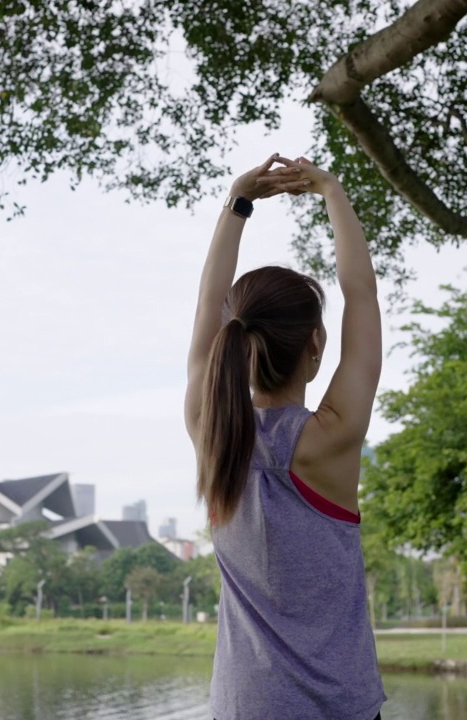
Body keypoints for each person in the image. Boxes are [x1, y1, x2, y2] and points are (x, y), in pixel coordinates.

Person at [185, 154, 386, 719]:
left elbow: (207, 305)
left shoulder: (210, 433)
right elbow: (362, 293)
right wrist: (331, 191)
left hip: (243, 706)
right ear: (316, 345)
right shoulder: (331, 440)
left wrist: (237, 203)